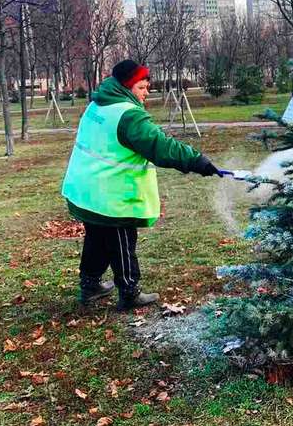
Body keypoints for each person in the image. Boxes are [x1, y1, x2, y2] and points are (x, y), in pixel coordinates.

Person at [61, 60, 222, 310]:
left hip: (85, 191)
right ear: (127, 86)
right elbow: (161, 147)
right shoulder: (128, 115)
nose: (147, 92)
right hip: (111, 199)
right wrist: (196, 161)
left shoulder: (98, 103)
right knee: (122, 242)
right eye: (142, 87)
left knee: (96, 239)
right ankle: (129, 293)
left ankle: (90, 286)